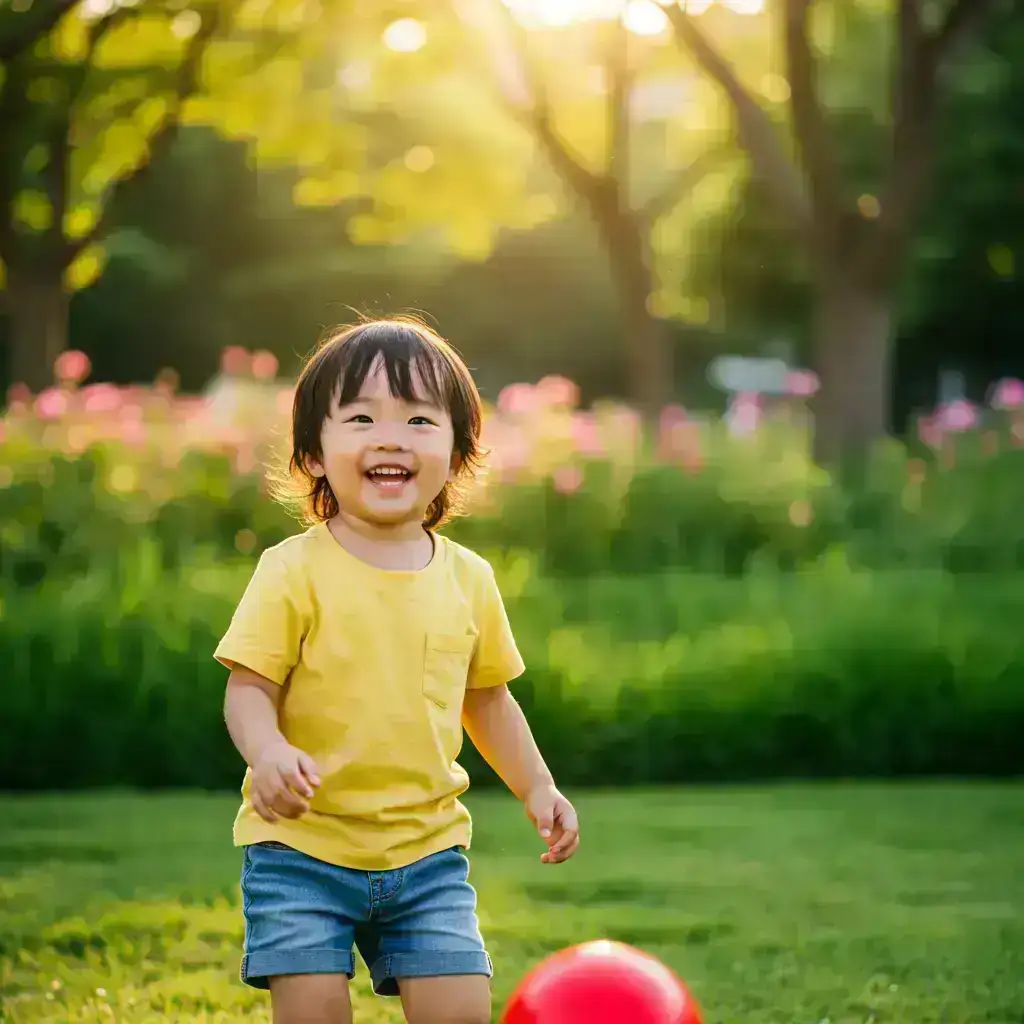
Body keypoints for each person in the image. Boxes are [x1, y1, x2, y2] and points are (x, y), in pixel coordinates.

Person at [215, 317, 580, 1024]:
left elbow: (490, 702)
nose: (390, 437)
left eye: (419, 418)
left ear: (456, 451)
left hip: (428, 856)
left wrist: (538, 787)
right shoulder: (292, 571)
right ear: (315, 454)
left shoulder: (469, 579)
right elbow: (248, 689)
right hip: (302, 850)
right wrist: (268, 753)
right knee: (314, 1010)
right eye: (360, 418)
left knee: (461, 1011)